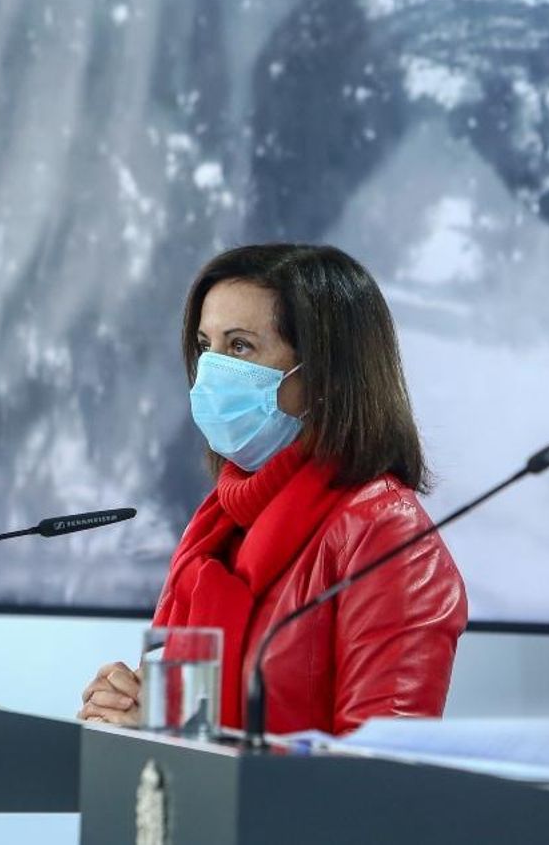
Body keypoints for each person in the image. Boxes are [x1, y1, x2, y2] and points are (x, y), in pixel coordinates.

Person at [79, 243, 468, 736]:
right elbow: (190, 726)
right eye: (205, 346)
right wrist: (131, 711)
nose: (211, 373)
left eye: (240, 346)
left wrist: (180, 738)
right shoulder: (219, 523)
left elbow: (377, 781)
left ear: (324, 373)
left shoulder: (388, 537)